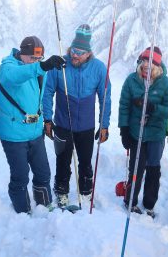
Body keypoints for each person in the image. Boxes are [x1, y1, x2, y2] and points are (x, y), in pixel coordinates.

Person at [42, 24, 111, 207]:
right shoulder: (60, 65)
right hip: (63, 125)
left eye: (80, 52)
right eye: (74, 50)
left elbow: (105, 98)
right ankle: (62, 192)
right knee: (63, 161)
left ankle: (86, 192)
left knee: (86, 162)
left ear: (89, 53)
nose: (75, 55)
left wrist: (104, 125)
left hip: (86, 127)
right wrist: (47, 119)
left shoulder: (99, 68)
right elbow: (48, 92)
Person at [0, 36, 65, 213]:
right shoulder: (8, 67)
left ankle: (44, 204)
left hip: (35, 132)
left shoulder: (36, 69)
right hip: (14, 134)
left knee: (43, 172)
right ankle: (22, 210)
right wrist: (41, 66)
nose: (35, 62)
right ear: (22, 54)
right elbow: (14, 77)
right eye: (32, 58)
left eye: (39, 59)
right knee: (20, 176)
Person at [118, 46, 168, 217]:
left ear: (157, 67)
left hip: (156, 134)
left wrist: (153, 108)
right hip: (136, 132)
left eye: (149, 65)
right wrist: (124, 130)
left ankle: (149, 204)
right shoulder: (131, 80)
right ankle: (130, 201)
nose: (144, 68)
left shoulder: (166, 83)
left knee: (153, 168)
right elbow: (124, 106)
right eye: (142, 63)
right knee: (136, 167)